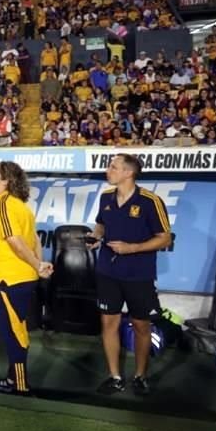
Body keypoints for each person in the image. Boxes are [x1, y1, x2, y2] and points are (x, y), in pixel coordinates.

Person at [87, 154, 172, 396]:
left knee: (141, 326)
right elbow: (101, 225)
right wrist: (96, 237)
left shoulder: (150, 201)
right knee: (108, 323)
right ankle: (114, 376)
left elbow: (165, 238)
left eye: (113, 167)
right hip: (107, 272)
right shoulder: (105, 197)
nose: (108, 170)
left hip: (138, 275)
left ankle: (140, 376)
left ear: (128, 173)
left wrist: (131, 248)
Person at [0, 161, 52, 395]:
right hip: (17, 279)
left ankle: (19, 383)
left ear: (6, 181)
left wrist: (37, 264)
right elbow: (34, 240)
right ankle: (14, 379)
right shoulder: (20, 206)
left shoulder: (5, 205)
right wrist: (38, 266)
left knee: (13, 333)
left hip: (6, 280)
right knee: (15, 329)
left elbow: (16, 241)